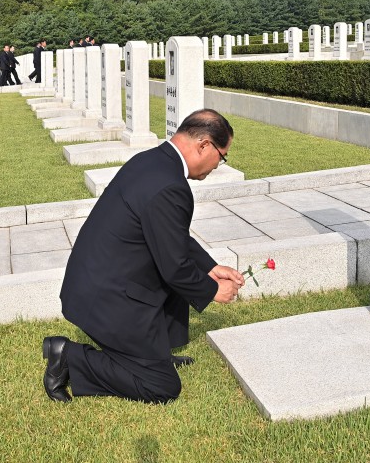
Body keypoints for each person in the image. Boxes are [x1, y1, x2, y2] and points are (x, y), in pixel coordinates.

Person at [44, 109, 244, 403]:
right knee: (161, 387)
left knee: (175, 286)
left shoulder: (153, 161)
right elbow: (174, 267)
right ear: (204, 145)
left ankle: (155, 355)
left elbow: (170, 236)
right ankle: (68, 357)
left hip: (96, 281)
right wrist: (213, 290)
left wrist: (210, 267)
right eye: (222, 156)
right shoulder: (171, 186)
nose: (219, 164)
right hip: (107, 297)